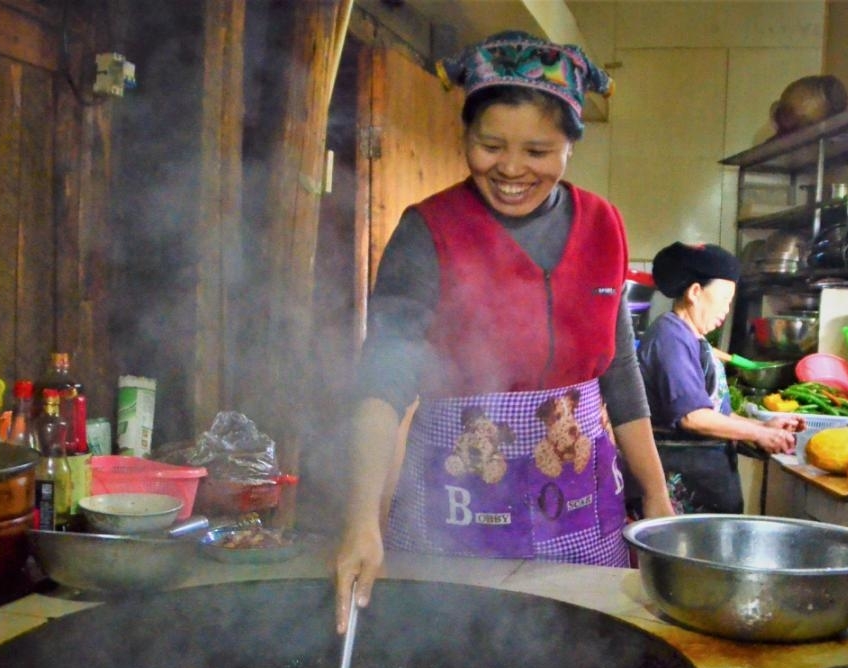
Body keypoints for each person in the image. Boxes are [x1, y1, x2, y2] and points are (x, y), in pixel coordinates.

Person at [334, 31, 674, 632]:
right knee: (453, 650)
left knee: (580, 648)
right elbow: (382, 382)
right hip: (455, 504)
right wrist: (362, 520)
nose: (511, 169)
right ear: (464, 137)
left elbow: (619, 369)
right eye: (489, 145)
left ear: (571, 146)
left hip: (580, 503)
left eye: (538, 150)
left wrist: (656, 496)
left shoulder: (603, 225)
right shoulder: (429, 229)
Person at [632, 241, 805, 516]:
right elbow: (693, 417)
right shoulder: (671, 338)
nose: (726, 309)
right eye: (724, 299)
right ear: (695, 292)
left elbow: (715, 412)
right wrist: (759, 433)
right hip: (682, 493)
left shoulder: (693, 339)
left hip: (705, 490)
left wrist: (763, 426)